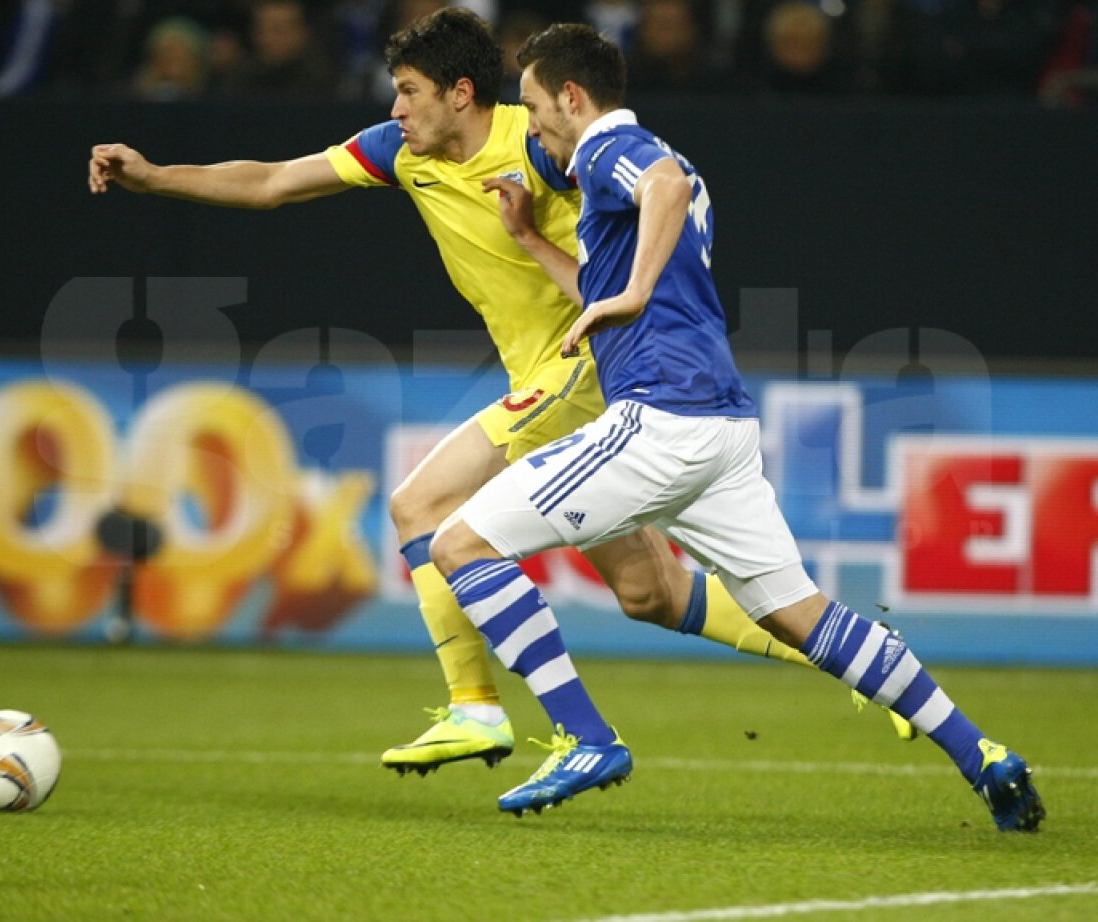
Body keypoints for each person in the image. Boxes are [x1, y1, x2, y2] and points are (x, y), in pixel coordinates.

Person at [87, 7, 900, 781]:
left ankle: (476, 706)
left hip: (583, 367)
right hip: (540, 382)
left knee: (418, 507)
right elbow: (270, 181)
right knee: (649, 593)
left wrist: (638, 288)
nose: (395, 107)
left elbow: (656, 192)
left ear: (460, 93)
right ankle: (859, 658)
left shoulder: (542, 143)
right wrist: (155, 177)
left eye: (408, 90)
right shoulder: (400, 152)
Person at [428, 21, 1046, 830]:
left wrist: (635, 291)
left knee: (459, 545)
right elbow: (614, 277)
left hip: (661, 418)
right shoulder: (655, 169)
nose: (531, 123)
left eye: (537, 106)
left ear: (573, 98)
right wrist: (531, 241)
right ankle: (984, 754)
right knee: (801, 615)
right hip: (721, 429)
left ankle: (584, 735)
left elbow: (661, 193)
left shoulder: (621, 147)